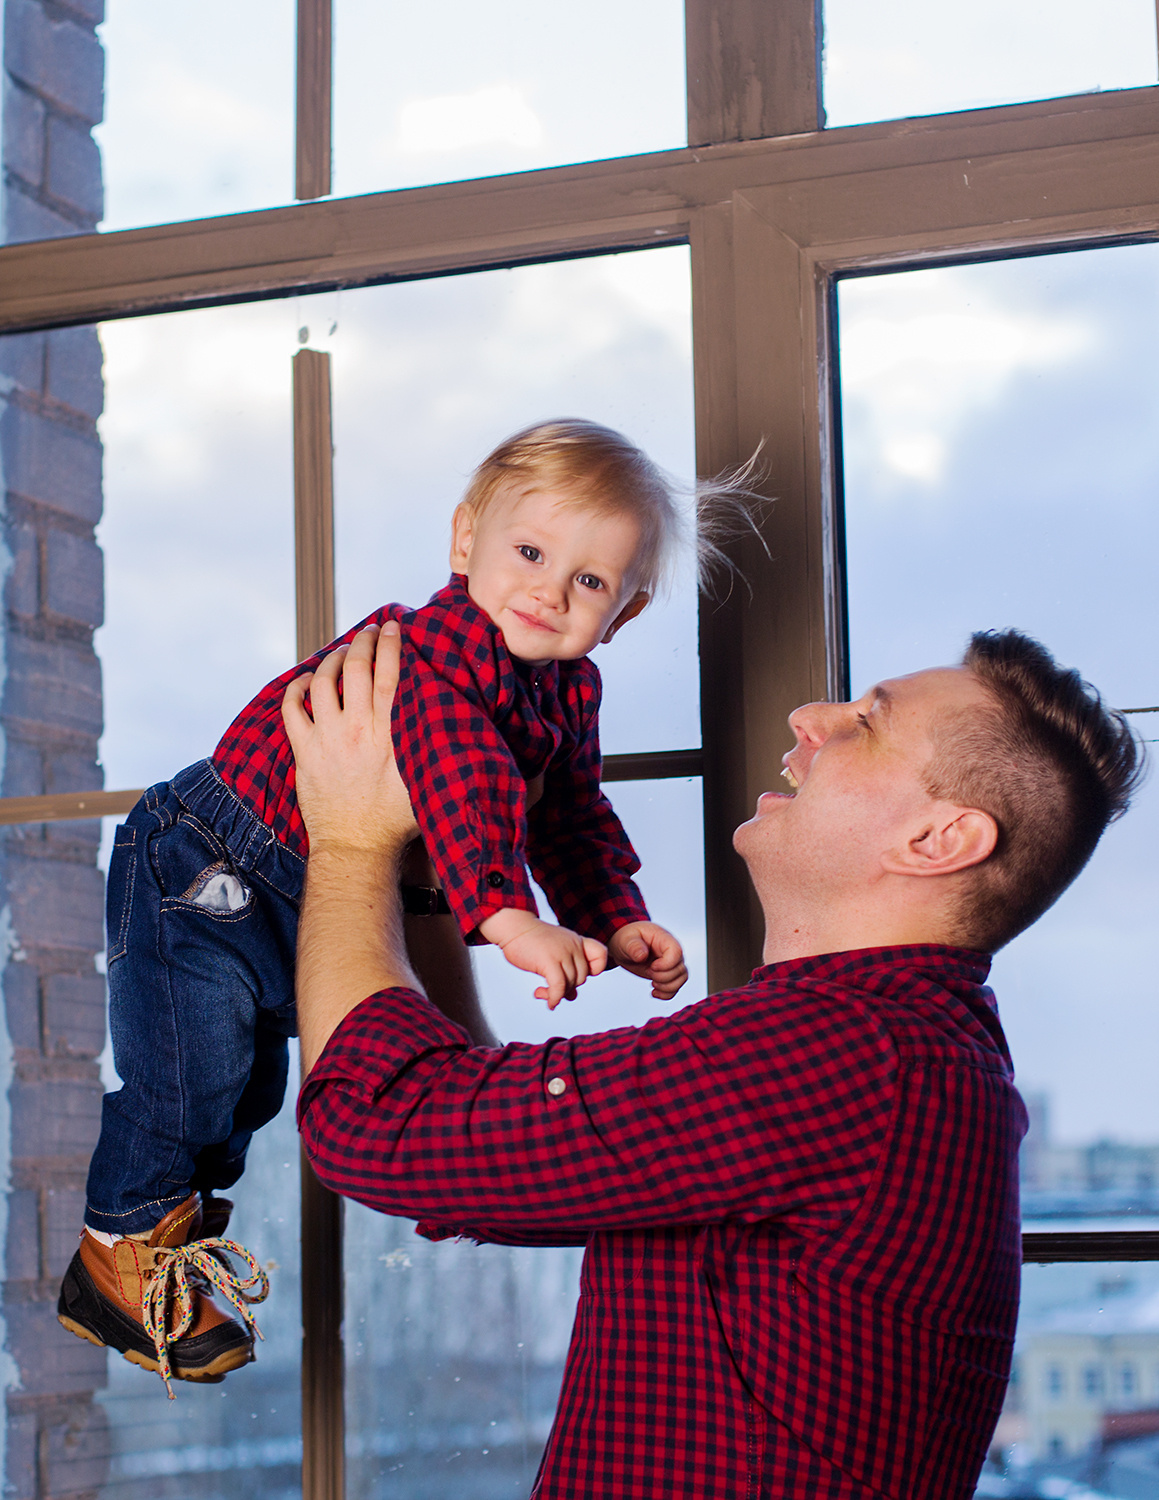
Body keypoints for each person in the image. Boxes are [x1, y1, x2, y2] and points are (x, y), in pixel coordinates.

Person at [286, 621, 1141, 1499]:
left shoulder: (841, 1050)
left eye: (867, 722)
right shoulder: (899, 1046)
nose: (810, 716)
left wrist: (349, 842)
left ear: (936, 840)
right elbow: (490, 1164)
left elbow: (381, 1123)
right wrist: (426, 871)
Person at [58, 419, 702, 1391]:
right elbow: (459, 776)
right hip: (207, 860)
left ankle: (167, 1236)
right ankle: (117, 1247)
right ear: (465, 541)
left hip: (295, 887)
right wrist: (508, 919)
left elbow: (571, 814)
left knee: (245, 1093)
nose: (548, 592)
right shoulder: (432, 652)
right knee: (190, 1079)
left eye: (588, 581)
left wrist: (613, 913)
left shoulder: (568, 693)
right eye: (530, 554)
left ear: (625, 611)